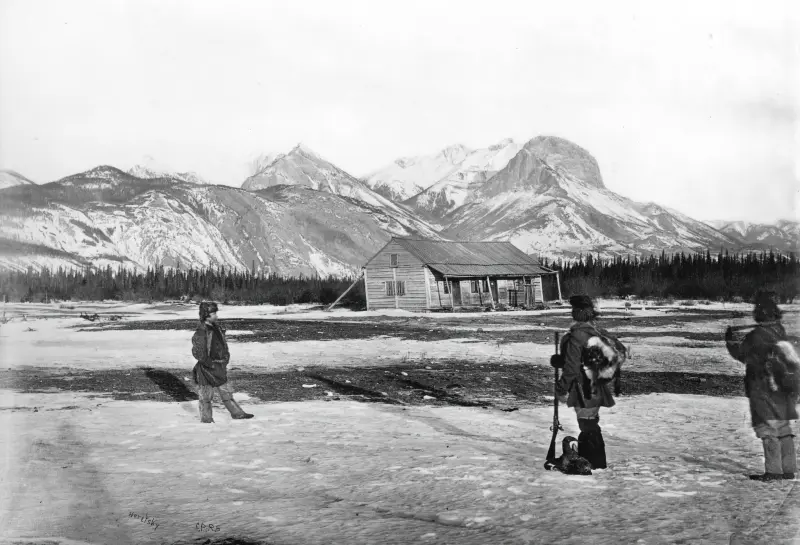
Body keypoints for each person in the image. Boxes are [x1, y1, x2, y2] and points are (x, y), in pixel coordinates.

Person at [725, 291, 797, 481]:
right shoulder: (780, 331)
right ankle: (788, 470)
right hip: (781, 389)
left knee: (768, 430)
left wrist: (730, 341)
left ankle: (773, 471)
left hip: (761, 388)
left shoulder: (756, 336)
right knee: (783, 429)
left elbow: (742, 355)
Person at [550, 295, 627, 470]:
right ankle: (591, 461)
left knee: (587, 424)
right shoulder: (594, 332)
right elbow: (579, 360)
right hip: (595, 385)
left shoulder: (577, 335)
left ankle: (592, 464)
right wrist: (560, 361)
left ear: (578, 313)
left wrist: (561, 388)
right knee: (589, 422)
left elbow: (571, 368)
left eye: (574, 309)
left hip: (583, 387)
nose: (572, 312)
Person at [192, 301, 254, 423]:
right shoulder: (201, 331)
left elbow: (222, 346)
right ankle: (207, 420)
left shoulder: (217, 328)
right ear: (206, 315)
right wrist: (210, 364)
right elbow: (198, 352)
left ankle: (237, 414)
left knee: (227, 392)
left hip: (219, 367)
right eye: (213, 313)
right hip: (206, 369)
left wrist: (225, 359)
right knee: (205, 397)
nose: (216, 315)